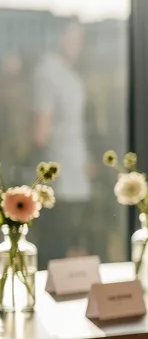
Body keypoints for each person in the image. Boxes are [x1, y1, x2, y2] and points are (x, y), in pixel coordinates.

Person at [31, 20, 91, 261]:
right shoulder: (47, 73)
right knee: (54, 245)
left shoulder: (70, 75)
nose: (78, 44)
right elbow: (40, 131)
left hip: (74, 173)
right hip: (57, 176)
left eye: (80, 39)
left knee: (69, 245)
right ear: (60, 38)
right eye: (72, 37)